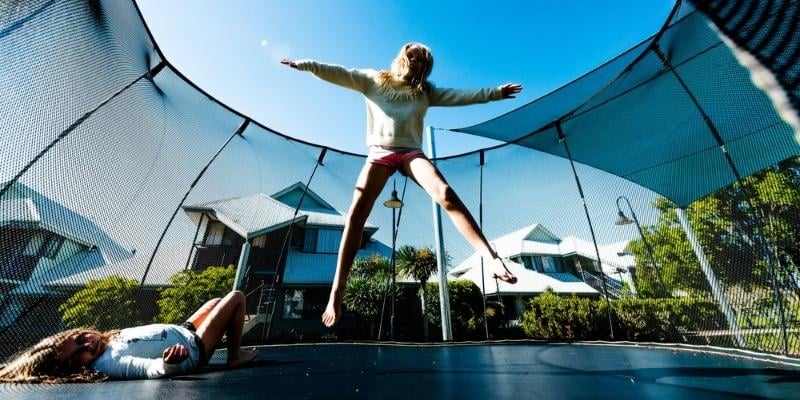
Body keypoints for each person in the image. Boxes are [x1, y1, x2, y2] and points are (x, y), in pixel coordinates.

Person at [282, 42, 522, 328]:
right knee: (356, 213)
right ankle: (337, 290)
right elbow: (338, 72)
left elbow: (461, 96)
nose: (416, 63)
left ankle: (491, 258)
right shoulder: (373, 80)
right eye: (412, 57)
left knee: (445, 193)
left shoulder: (425, 92)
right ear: (402, 57)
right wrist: (305, 64)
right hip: (380, 153)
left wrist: (495, 93)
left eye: (422, 61)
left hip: (411, 153)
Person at [0, 290, 258, 383]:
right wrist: (167, 364)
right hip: (193, 348)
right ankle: (234, 356)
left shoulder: (107, 341)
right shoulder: (108, 363)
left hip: (185, 329)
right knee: (236, 298)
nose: (88, 343)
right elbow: (147, 368)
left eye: (81, 338)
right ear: (73, 368)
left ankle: (229, 324)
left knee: (214, 302)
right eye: (81, 352)